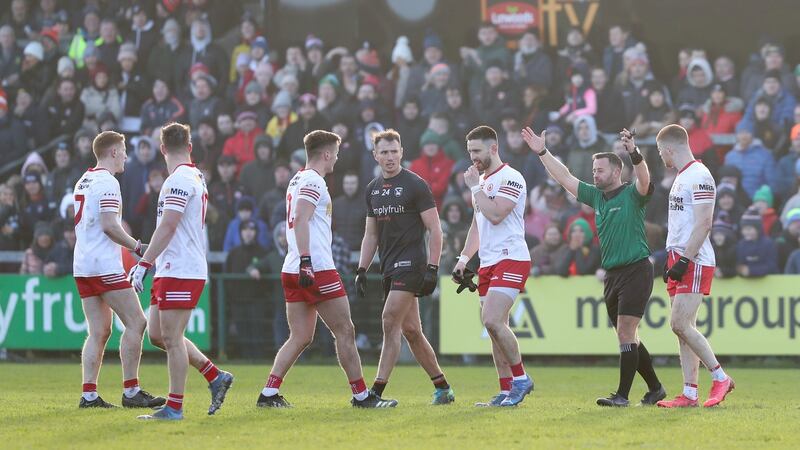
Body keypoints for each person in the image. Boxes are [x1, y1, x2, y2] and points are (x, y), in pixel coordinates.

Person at [523, 126, 666, 407]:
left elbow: (645, 179)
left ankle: (622, 396)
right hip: (612, 274)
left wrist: (635, 153)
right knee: (629, 336)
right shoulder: (596, 197)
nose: (595, 174)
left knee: (626, 331)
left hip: (636, 269)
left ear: (617, 172)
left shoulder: (632, 194)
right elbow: (565, 177)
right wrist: (542, 152)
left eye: (600, 170)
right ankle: (656, 389)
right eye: (593, 169)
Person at [257, 130, 396, 409]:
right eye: (336, 153)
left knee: (300, 337)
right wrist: (307, 261)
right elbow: (301, 218)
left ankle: (268, 393)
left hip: (291, 266)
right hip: (315, 267)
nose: (337, 158)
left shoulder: (297, 178)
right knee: (345, 330)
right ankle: (361, 396)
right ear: (326, 154)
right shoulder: (313, 180)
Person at [128, 123, 233, 420]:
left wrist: (144, 263)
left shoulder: (178, 181)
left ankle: (174, 407)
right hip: (172, 266)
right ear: (189, 146)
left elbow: (169, 226)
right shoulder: (193, 176)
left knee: (173, 338)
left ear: (162, 149)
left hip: (181, 267)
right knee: (158, 335)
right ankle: (215, 375)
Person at [355, 129, 454, 405]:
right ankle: (443, 388)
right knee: (411, 331)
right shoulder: (372, 189)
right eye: (384, 152)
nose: (389, 157)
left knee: (389, 321)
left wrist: (432, 268)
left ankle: (375, 392)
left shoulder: (415, 185)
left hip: (411, 264)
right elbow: (371, 234)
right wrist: (362, 269)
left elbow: (435, 229)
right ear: (375, 155)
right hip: (388, 267)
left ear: (402, 152)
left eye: (394, 151)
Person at [71, 131, 164, 409]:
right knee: (137, 322)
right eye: (123, 150)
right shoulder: (108, 182)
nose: (126, 155)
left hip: (83, 264)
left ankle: (89, 395)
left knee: (98, 331)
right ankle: (132, 391)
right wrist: (137, 247)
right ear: (113, 152)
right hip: (104, 265)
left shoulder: (83, 180)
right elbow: (110, 225)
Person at [652, 124, 734, 408]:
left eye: (661, 152)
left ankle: (721, 377)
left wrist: (685, 259)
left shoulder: (700, 176)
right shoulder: (682, 176)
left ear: (669, 150)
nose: (662, 158)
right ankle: (689, 393)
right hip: (679, 256)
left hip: (695, 258)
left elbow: (704, 223)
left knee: (679, 323)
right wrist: (671, 256)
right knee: (683, 328)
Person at [452, 126, 533, 407]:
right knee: (495, 328)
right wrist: (464, 259)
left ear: (493, 148)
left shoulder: (511, 177)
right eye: (470, 151)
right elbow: (479, 222)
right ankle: (506, 388)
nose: (472, 157)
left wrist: (475, 188)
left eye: (477, 151)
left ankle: (521, 379)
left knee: (492, 320)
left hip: (511, 257)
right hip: (487, 261)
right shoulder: (484, 181)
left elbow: (496, 214)